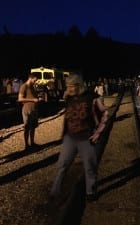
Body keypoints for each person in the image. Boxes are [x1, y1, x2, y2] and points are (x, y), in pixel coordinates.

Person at [50, 73, 108, 202]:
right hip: (70, 138)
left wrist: (98, 132)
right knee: (62, 164)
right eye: (68, 86)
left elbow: (104, 113)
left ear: (79, 86)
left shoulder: (92, 98)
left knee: (89, 166)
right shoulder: (69, 98)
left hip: (86, 138)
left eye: (71, 86)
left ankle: (90, 192)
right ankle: (55, 191)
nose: (69, 89)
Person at [18, 73, 41, 150]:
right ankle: (26, 146)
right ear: (31, 78)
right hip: (27, 110)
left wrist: (38, 99)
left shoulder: (32, 87)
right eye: (35, 80)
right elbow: (20, 99)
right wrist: (33, 100)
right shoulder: (24, 86)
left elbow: (34, 97)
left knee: (33, 127)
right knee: (27, 127)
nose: (36, 81)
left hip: (34, 110)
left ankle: (32, 143)